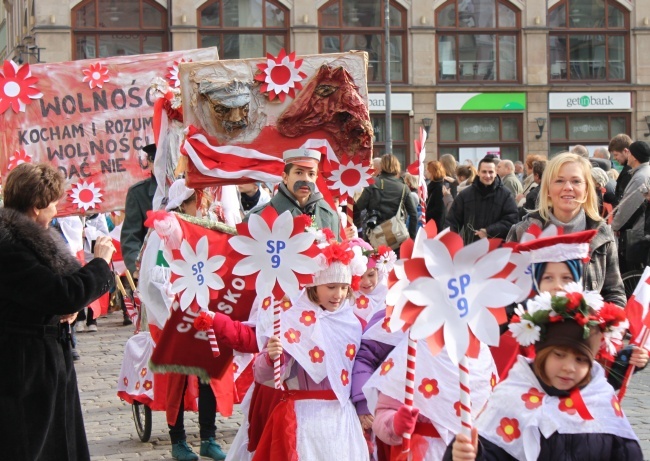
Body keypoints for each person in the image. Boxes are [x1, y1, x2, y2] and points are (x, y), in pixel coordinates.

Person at [0, 163, 116, 461]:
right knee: (33, 446)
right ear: (37, 207)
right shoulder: (10, 246)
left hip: (42, 358)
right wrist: (100, 264)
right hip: (26, 365)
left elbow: (50, 296)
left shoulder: (26, 239)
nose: (55, 210)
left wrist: (64, 310)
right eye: (52, 204)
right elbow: (61, 294)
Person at [446, 286, 643, 461]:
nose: (569, 367)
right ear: (542, 353)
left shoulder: (600, 400)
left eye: (580, 359)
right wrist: (470, 455)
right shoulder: (512, 397)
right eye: (559, 355)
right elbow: (490, 451)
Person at [251, 240, 369, 460]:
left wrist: (363, 405)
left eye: (344, 287)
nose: (338, 294)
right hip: (302, 417)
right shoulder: (291, 320)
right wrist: (271, 358)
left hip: (341, 417)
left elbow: (360, 369)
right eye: (331, 287)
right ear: (314, 286)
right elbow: (264, 375)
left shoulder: (353, 324)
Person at [162, 179, 227, 461]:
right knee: (177, 378)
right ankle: (178, 442)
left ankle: (208, 438)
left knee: (206, 376)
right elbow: (157, 274)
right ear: (185, 202)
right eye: (197, 198)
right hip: (174, 313)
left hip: (203, 311)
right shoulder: (165, 230)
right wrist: (171, 311)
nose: (204, 203)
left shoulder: (205, 225)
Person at [508, 152, 626, 307]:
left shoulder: (602, 235)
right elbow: (506, 294)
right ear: (548, 189)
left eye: (576, 181)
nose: (568, 187)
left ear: (587, 189)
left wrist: (601, 325)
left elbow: (615, 294)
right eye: (559, 181)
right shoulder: (522, 232)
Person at [251, 147, 352, 240]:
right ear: (285, 177)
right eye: (299, 172)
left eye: (311, 174)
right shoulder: (259, 217)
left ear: (316, 178)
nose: (306, 179)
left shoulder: (329, 215)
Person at [446, 154, 518, 244]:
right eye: (484, 172)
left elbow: (512, 220)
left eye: (491, 172)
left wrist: (489, 231)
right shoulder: (465, 195)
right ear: (478, 172)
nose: (487, 175)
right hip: (471, 248)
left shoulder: (505, 195)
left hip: (496, 249)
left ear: (496, 173)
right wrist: (452, 243)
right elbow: (452, 221)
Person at [355, 153, 418, 248]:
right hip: (397, 236)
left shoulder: (373, 183)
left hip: (375, 235)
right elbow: (413, 214)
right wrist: (412, 238)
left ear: (382, 166)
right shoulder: (404, 187)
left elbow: (359, 206)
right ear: (397, 166)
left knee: (374, 261)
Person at [611, 141, 650, 272]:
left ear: (633, 156)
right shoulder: (644, 172)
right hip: (642, 230)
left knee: (632, 273)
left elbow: (628, 206)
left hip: (638, 232)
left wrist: (615, 226)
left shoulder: (640, 177)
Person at [122, 143, 157, 280]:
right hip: (151, 267)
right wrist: (137, 268)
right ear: (149, 163)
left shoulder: (184, 189)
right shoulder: (138, 193)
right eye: (156, 161)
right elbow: (131, 237)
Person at [609, 134, 634, 206]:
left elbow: (622, 199)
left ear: (626, 151)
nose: (614, 158)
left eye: (616, 154)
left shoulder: (629, 171)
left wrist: (609, 197)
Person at [425, 160, 449, 232]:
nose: (426, 172)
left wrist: (426, 215)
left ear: (432, 172)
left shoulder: (439, 187)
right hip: (431, 221)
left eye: (427, 170)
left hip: (436, 223)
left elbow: (439, 208)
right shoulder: (433, 185)